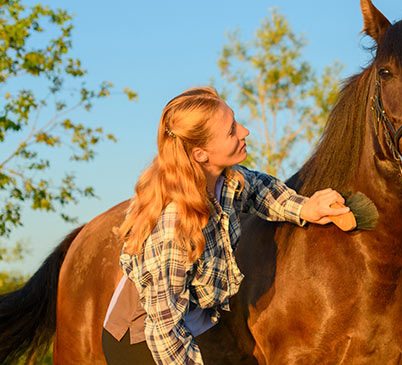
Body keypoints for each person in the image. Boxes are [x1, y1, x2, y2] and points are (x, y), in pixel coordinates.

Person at [101, 87, 349, 365]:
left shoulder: (223, 180)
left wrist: (306, 207)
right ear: (200, 154)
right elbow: (163, 329)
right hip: (144, 346)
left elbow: (258, 189)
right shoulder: (174, 225)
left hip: (187, 327)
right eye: (231, 131)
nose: (245, 132)